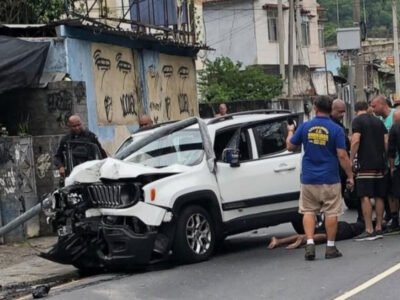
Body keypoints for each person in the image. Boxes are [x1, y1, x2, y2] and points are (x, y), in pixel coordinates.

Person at [286, 95, 353, 261]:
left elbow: (290, 146)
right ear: (330, 109)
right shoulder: (336, 129)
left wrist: (289, 132)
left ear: (315, 108)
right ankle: (330, 247)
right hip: (330, 177)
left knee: (308, 211)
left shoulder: (305, 126)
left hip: (309, 177)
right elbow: (342, 155)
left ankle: (309, 242)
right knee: (331, 211)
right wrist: (350, 175)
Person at [350, 101, 388, 241]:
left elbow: (355, 141)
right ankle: (378, 227)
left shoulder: (357, 121)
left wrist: (351, 158)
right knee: (379, 195)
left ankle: (369, 229)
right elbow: (386, 141)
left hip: (365, 164)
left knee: (365, 196)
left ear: (356, 110)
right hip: (380, 163)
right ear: (367, 108)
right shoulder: (378, 122)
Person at [370, 95, 399, 232]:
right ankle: (394, 217)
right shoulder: (379, 121)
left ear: (382, 104)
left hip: (396, 159)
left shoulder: (396, 115)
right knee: (390, 192)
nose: (372, 109)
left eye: (374, 106)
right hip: (387, 162)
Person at [267, 221, 364, 249]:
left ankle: (279, 241)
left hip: (344, 225)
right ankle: (305, 238)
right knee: (326, 237)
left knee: (319, 234)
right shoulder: (365, 227)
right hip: (347, 230)